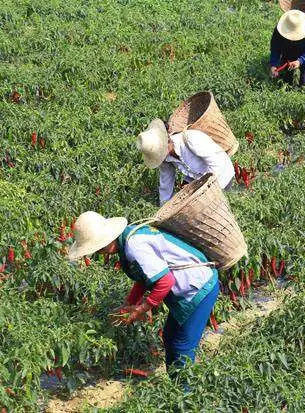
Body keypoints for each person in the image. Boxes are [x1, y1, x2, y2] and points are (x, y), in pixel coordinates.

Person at [68, 211, 219, 380]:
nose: (98, 253)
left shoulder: (134, 245)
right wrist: (129, 303)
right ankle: (175, 385)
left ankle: (185, 393)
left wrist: (141, 309)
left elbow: (165, 282)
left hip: (198, 287)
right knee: (170, 336)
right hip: (188, 288)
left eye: (98, 248)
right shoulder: (128, 239)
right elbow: (144, 276)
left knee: (182, 345)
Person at [137, 119, 235, 206]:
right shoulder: (165, 159)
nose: (161, 155)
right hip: (199, 179)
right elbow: (165, 184)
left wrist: (202, 189)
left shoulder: (190, 139)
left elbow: (217, 164)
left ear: (167, 140)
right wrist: (164, 210)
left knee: (219, 208)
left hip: (222, 176)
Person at [269, 10, 305, 87]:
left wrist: (300, 61)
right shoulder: (279, 30)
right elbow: (275, 48)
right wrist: (274, 65)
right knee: (285, 81)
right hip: (287, 52)